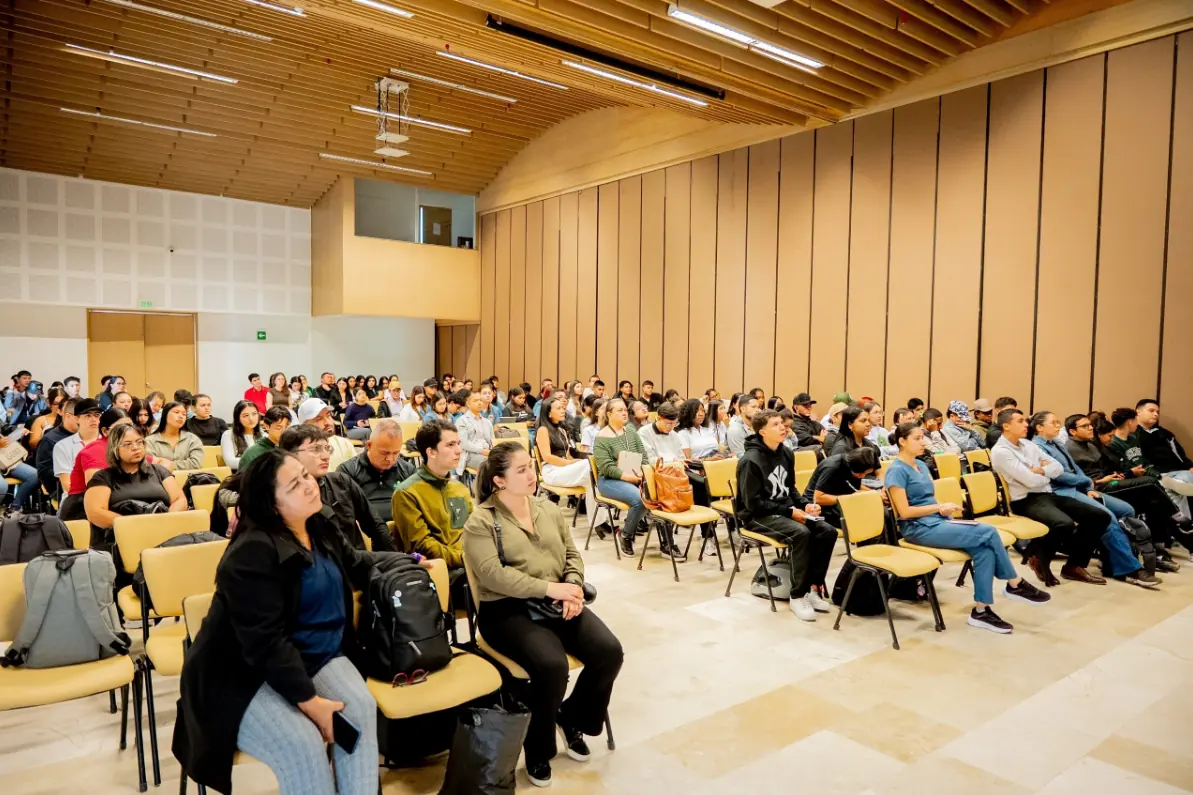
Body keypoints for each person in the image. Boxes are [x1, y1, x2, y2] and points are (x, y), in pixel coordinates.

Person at [173, 449, 428, 795]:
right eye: (294, 485)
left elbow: (355, 562)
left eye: (305, 476)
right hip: (240, 675)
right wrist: (312, 704)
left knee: (361, 710)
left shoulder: (316, 522)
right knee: (303, 744)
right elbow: (265, 645)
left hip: (313, 653)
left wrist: (406, 560)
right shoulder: (251, 553)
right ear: (271, 504)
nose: (309, 485)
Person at [463, 444, 623, 789]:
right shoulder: (481, 521)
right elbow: (493, 575)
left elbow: (570, 553)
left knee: (609, 651)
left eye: (530, 467)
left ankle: (572, 716)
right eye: (520, 470)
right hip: (506, 610)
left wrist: (573, 586)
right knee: (552, 666)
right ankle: (537, 749)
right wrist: (552, 590)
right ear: (498, 481)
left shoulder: (547, 508)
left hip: (557, 598)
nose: (531, 475)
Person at [885, 422, 1050, 633]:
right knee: (988, 531)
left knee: (984, 551)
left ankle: (981, 610)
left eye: (922, 437)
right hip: (917, 528)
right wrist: (939, 507)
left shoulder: (922, 465)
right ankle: (1015, 583)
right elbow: (905, 512)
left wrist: (942, 509)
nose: (923, 442)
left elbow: (927, 498)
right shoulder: (896, 471)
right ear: (902, 441)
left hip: (937, 521)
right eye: (917, 438)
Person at [1029, 412, 1160, 588]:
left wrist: (1089, 487)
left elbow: (1075, 468)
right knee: (1107, 518)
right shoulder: (1037, 447)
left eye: (1058, 421)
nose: (1058, 425)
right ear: (1039, 427)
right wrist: (1086, 482)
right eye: (1054, 422)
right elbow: (1058, 476)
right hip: (1061, 491)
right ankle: (1130, 569)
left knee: (1126, 510)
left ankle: (1111, 560)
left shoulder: (1057, 443)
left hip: (1079, 487)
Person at [735, 409, 838, 621]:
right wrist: (790, 511)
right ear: (762, 432)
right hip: (756, 516)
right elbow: (753, 504)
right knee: (801, 534)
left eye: (782, 423)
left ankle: (812, 588)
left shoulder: (786, 453)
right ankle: (797, 595)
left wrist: (805, 505)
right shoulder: (750, 461)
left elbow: (790, 489)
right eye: (775, 424)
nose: (783, 427)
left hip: (781, 510)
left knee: (827, 531)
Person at [991, 408, 1108, 587]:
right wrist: (1043, 472)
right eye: (1020, 421)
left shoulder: (1027, 444)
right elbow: (1029, 481)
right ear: (1006, 426)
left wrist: (1040, 470)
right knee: (1064, 523)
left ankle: (1074, 566)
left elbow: (1058, 468)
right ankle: (1041, 559)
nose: (1026, 424)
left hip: (1046, 494)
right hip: (1024, 500)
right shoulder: (1001, 451)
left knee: (1099, 516)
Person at [1066, 414, 1188, 562]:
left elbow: (1106, 468)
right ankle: (1177, 515)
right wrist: (1100, 480)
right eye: (1085, 426)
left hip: (1109, 481)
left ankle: (1159, 548)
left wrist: (1114, 475)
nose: (1090, 427)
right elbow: (1072, 476)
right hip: (1096, 487)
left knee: (1153, 502)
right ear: (1073, 431)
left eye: (1090, 425)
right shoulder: (1069, 448)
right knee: (1149, 483)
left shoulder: (1091, 445)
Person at [280, 425, 396, 551]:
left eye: (327, 448)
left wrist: (397, 559)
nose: (325, 456)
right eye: (316, 449)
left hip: (360, 561)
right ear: (290, 455)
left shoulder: (341, 481)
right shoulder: (285, 500)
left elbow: (375, 525)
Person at [83, 423, 187, 552]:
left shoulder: (159, 471)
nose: (136, 448)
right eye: (128, 444)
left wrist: (165, 520)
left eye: (139, 442)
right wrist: (134, 525)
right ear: (115, 449)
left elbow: (179, 499)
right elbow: (95, 512)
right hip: (122, 536)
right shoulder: (103, 477)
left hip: (161, 531)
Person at [392, 419, 472, 581]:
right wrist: (465, 558)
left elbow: (475, 530)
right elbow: (422, 546)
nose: (458, 450)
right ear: (431, 452)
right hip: (444, 573)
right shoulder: (407, 493)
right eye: (450, 445)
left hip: (474, 565)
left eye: (458, 443)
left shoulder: (460, 489)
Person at [593, 398, 654, 558]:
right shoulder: (602, 437)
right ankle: (626, 535)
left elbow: (643, 455)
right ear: (609, 414)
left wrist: (643, 471)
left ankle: (666, 543)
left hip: (635, 476)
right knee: (639, 500)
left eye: (625, 409)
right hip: (610, 481)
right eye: (619, 410)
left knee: (657, 495)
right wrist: (628, 477)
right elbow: (606, 467)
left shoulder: (631, 431)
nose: (624, 412)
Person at [534, 395, 601, 534]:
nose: (563, 410)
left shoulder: (562, 429)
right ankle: (598, 521)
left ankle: (599, 522)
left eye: (563, 407)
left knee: (592, 479)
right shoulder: (543, 430)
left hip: (565, 469)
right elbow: (547, 456)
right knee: (591, 466)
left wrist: (573, 461)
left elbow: (568, 454)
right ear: (548, 413)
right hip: (551, 471)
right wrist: (570, 463)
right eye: (558, 408)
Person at [335, 419, 415, 525]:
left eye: (396, 453)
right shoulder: (347, 472)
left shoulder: (408, 470)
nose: (390, 459)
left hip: (402, 532)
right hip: (365, 535)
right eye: (384, 453)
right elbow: (343, 515)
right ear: (369, 445)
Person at [59, 407, 130, 521]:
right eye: (120, 428)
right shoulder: (96, 449)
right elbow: (94, 483)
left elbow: (161, 463)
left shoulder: (130, 446)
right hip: (81, 509)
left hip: (114, 502)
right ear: (105, 431)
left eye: (130, 426)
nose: (128, 431)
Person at [1135, 399, 1193, 518]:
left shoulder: (1165, 434)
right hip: (1157, 474)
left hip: (1178, 472)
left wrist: (1190, 466)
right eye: (1151, 411)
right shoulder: (1133, 434)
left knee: (1184, 480)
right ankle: (1185, 527)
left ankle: (1184, 526)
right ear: (1138, 412)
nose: (1156, 414)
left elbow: (1179, 454)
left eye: (1157, 412)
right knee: (1177, 489)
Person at [804, 447, 879, 528]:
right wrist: (849, 498)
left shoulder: (855, 465)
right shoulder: (831, 467)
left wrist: (875, 495)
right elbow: (818, 498)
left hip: (838, 500)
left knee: (877, 510)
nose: (863, 476)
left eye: (866, 474)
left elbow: (856, 486)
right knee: (863, 519)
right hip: (816, 507)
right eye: (861, 473)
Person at [36, 396, 80, 495]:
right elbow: (45, 473)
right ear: (67, 416)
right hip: (61, 488)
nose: (82, 421)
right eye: (79, 417)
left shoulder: (89, 436)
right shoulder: (50, 439)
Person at [297, 399, 355, 471]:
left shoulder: (344, 443)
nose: (327, 422)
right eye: (318, 419)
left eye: (328, 415)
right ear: (304, 425)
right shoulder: (301, 453)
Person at [146, 402, 204, 471]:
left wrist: (169, 465)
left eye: (184, 414)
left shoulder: (193, 439)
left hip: (188, 479)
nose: (181, 416)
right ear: (165, 414)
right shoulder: (150, 441)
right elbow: (151, 467)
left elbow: (196, 464)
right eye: (176, 412)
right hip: (159, 480)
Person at [239, 406, 292, 471]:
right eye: (278, 428)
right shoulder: (252, 454)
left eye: (287, 427)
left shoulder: (292, 448)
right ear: (266, 426)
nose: (284, 432)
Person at [456, 390, 494, 472]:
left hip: (487, 453)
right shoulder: (462, 421)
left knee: (505, 461)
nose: (480, 403)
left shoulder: (487, 422)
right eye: (475, 400)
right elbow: (464, 444)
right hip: (470, 455)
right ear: (468, 404)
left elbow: (492, 441)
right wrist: (482, 451)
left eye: (480, 400)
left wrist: (492, 451)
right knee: (490, 464)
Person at [221, 400, 262, 471]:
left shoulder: (264, 434)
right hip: (241, 475)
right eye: (246, 415)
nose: (251, 419)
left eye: (254, 414)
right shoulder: (228, 435)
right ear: (238, 418)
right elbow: (230, 462)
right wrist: (259, 462)